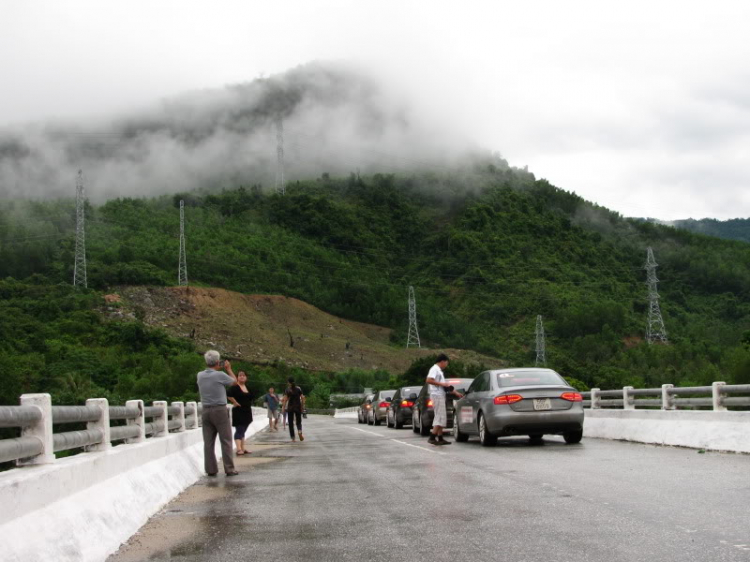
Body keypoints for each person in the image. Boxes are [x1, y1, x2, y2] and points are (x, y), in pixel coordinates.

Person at [197, 350, 239, 476]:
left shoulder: (200, 375)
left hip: (206, 410)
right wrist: (229, 369)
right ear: (217, 362)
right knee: (225, 440)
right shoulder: (220, 375)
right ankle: (229, 468)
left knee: (208, 442)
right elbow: (234, 382)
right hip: (220, 410)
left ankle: (211, 469)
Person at [425, 353, 462, 446]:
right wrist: (442, 384)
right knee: (440, 416)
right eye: (446, 363)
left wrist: (456, 392)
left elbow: (446, 385)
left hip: (440, 395)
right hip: (436, 395)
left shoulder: (439, 371)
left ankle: (440, 437)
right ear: (442, 361)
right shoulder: (434, 369)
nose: (446, 365)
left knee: (442, 416)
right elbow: (428, 380)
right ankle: (432, 436)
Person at [228, 371, 254, 455]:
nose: (242, 377)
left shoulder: (248, 387)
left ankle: (243, 448)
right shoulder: (235, 387)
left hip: (247, 411)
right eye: (240, 375)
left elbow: (251, 397)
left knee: (243, 430)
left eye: (243, 375)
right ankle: (238, 449)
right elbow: (228, 395)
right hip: (238, 411)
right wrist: (234, 402)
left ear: (246, 377)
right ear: (237, 377)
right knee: (239, 429)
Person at [282, 377, 305, 442]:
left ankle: (293, 438)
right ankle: (299, 431)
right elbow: (302, 398)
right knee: (298, 421)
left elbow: (285, 399)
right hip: (297, 407)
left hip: (290, 408)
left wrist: (283, 407)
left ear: (289, 382)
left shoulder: (287, 390)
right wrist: (302, 406)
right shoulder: (298, 389)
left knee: (290, 423)